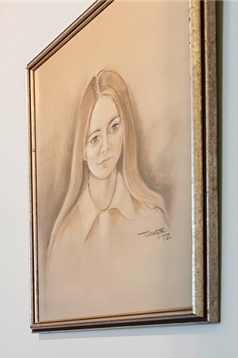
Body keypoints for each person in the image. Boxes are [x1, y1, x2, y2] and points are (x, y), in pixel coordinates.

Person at [41, 69, 184, 321]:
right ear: (82, 150)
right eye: (94, 138)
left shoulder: (152, 218)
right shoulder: (64, 237)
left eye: (114, 127)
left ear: (126, 129)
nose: (106, 147)